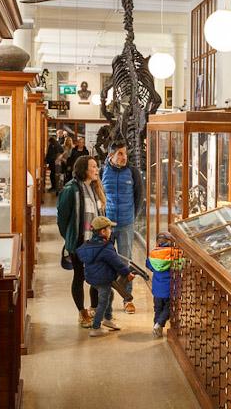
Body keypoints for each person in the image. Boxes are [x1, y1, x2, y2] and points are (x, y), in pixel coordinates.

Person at [57, 156, 107, 328]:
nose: (97, 169)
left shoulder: (95, 188)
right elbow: (62, 219)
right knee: (79, 277)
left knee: (97, 277)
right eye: (93, 166)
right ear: (84, 169)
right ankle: (82, 312)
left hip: (96, 243)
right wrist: (71, 237)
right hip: (79, 244)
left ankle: (93, 309)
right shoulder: (71, 189)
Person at [100, 141, 143, 313]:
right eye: (120, 153)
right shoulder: (103, 171)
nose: (124, 157)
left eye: (125, 153)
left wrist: (132, 216)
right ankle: (105, 300)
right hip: (107, 225)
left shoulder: (132, 172)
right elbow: (98, 194)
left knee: (125, 262)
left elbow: (139, 197)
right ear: (111, 155)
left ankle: (127, 298)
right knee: (105, 262)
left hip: (126, 224)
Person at [77, 216, 135, 337]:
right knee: (103, 302)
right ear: (103, 232)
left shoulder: (88, 245)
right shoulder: (106, 248)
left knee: (110, 294)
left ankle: (108, 319)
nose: (111, 231)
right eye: (109, 229)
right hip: (103, 279)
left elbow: (80, 253)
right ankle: (96, 327)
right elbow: (118, 263)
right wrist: (127, 273)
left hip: (92, 278)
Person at [146, 232, 180, 338]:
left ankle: (157, 328)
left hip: (157, 289)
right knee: (168, 309)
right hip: (170, 289)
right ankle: (159, 324)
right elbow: (181, 266)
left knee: (158, 309)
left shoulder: (154, 253)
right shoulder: (175, 253)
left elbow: (148, 264)